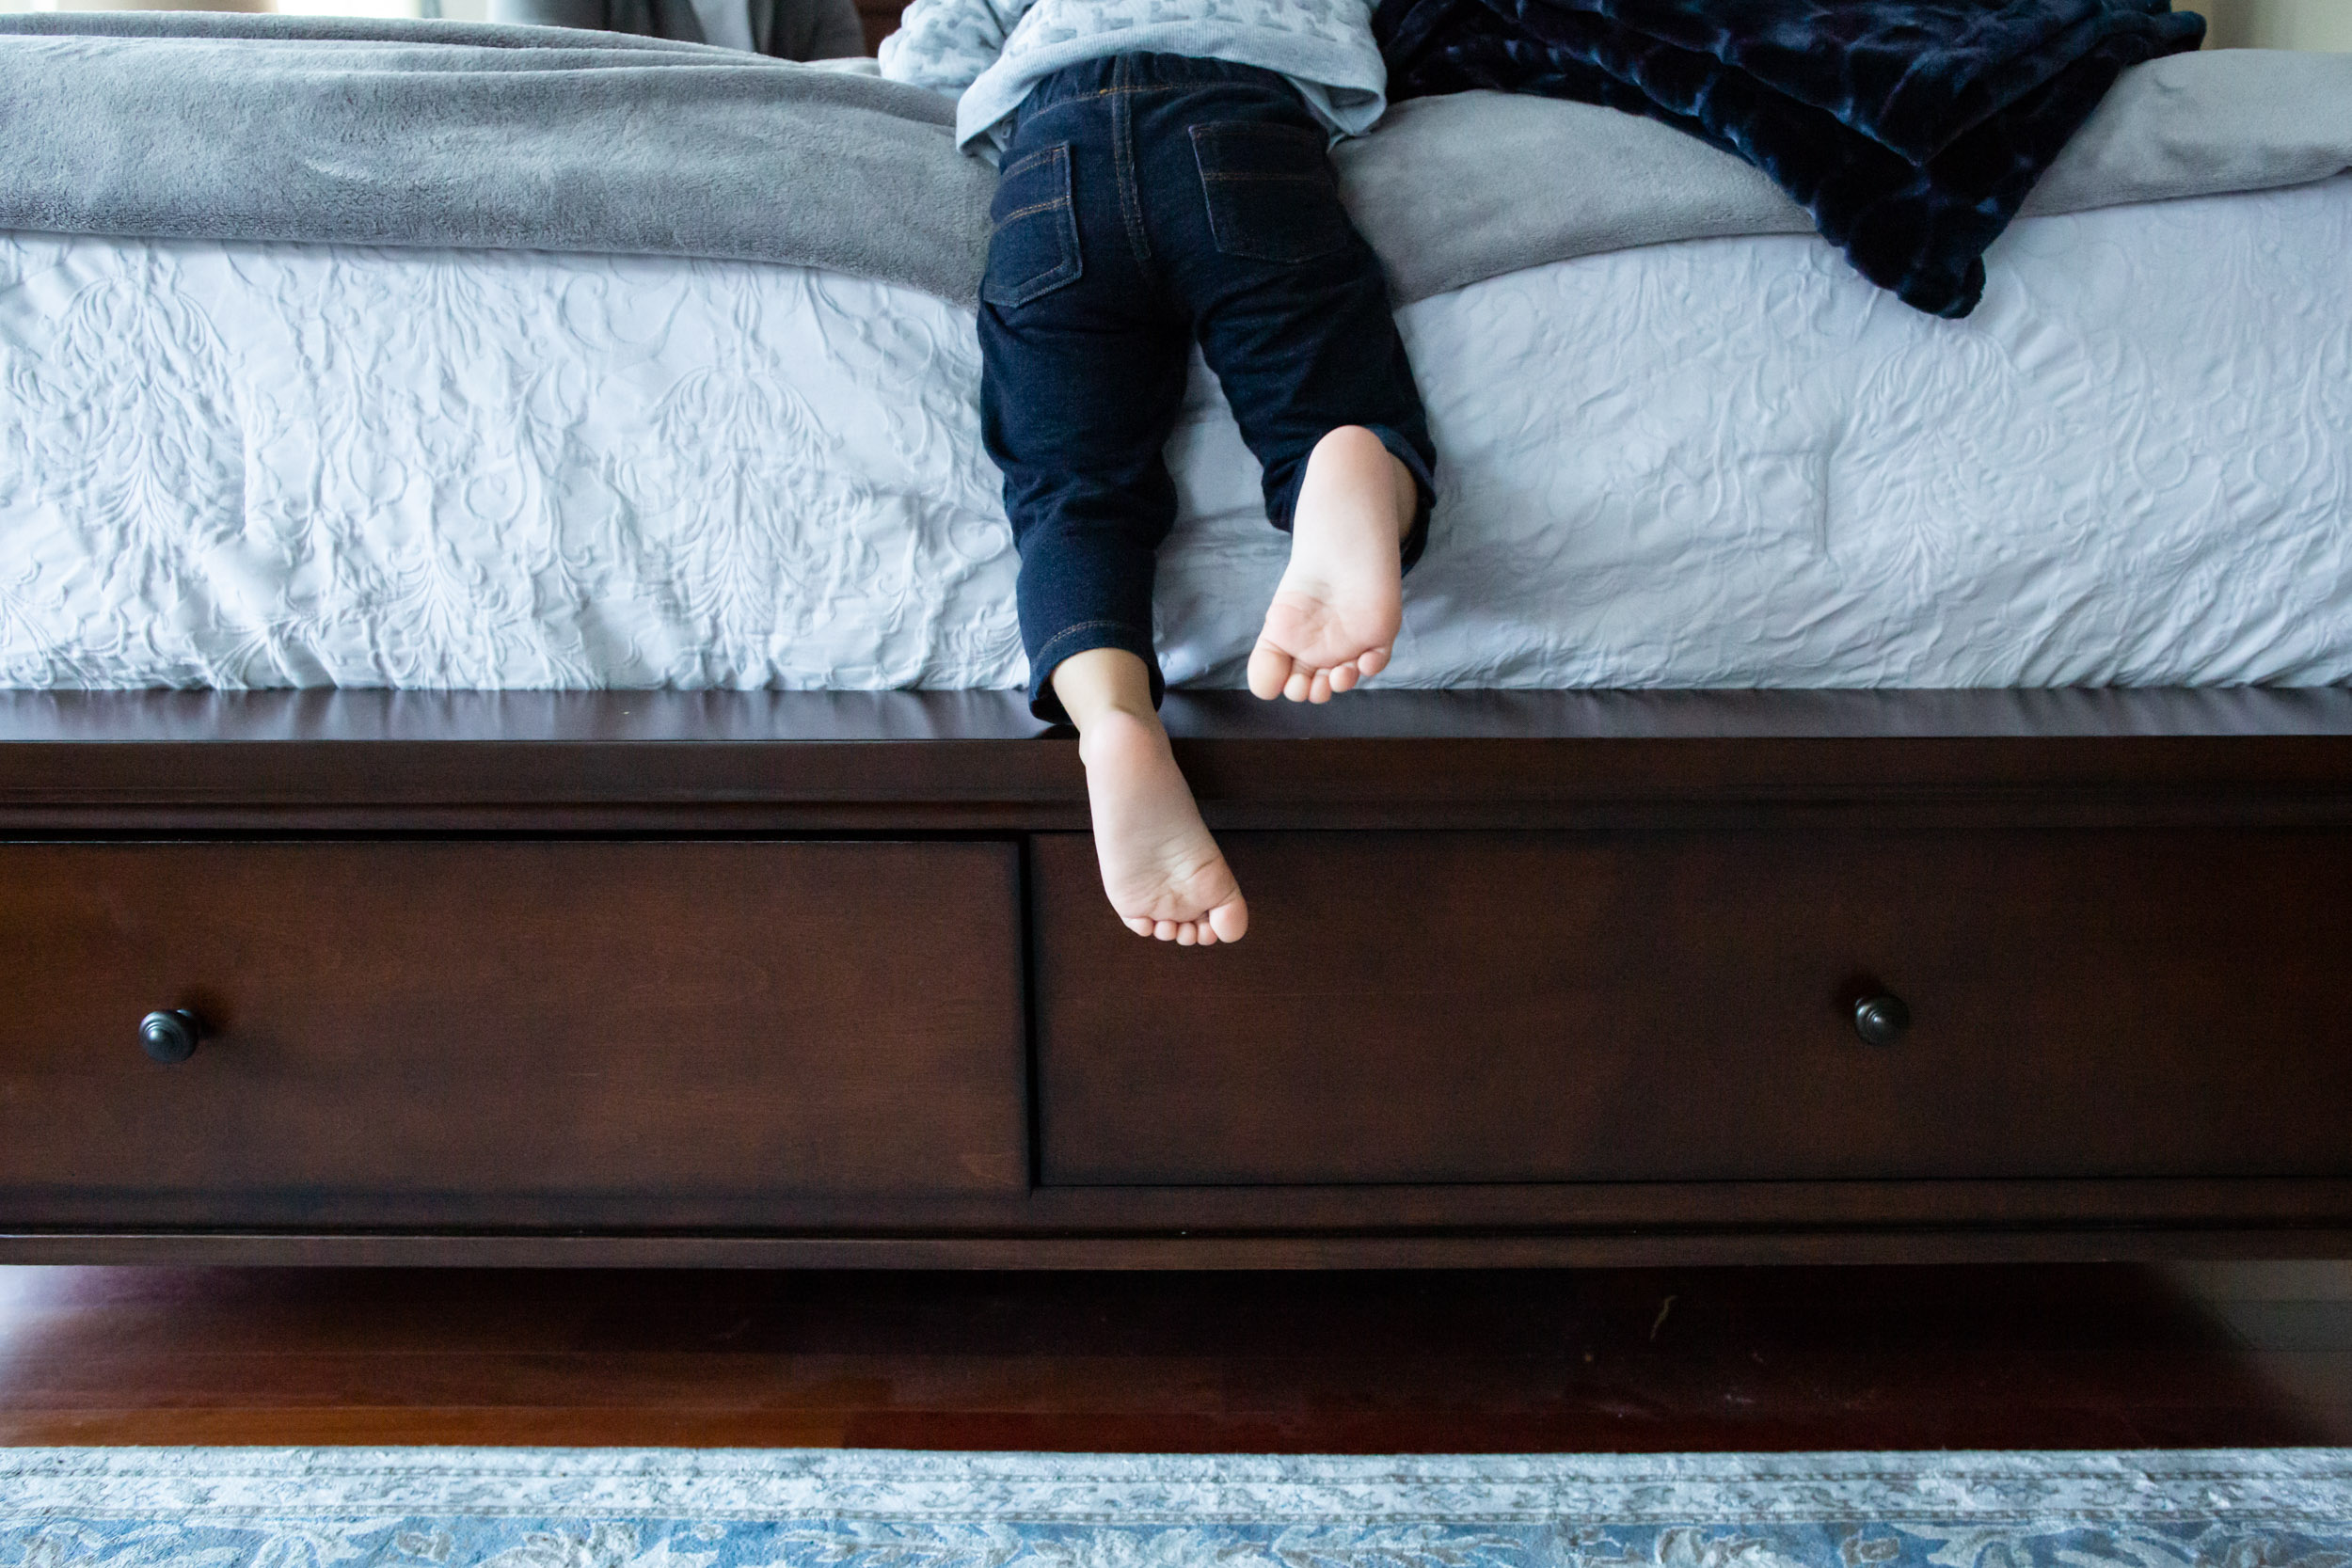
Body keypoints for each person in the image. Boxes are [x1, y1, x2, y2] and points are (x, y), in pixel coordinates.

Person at [882, 0, 1438, 947]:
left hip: (1050, 154)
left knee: (1070, 490)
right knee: (1334, 393)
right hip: (1244, 122)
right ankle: (1341, 460)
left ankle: (1112, 720)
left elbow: (930, 62)